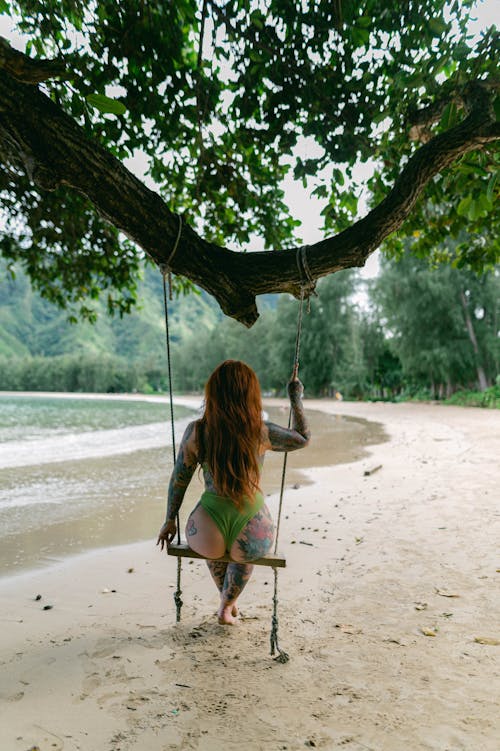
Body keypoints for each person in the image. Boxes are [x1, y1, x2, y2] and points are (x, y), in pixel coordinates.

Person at [157, 360, 310, 625]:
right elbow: (302, 437)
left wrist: (170, 519)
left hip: (207, 522)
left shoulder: (198, 431)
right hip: (251, 520)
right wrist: (295, 397)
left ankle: (227, 604)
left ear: (212, 393)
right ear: (251, 393)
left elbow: (178, 479)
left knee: (215, 550)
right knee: (243, 554)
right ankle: (227, 606)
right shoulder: (261, 432)